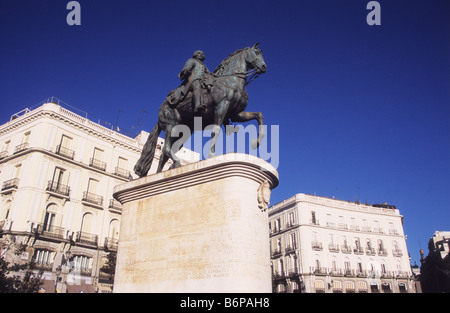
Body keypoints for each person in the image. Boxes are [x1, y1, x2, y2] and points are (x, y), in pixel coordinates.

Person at [178, 50, 213, 114]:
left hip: (203, 81)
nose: (202, 55)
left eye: (203, 54)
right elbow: (186, 68)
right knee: (196, 84)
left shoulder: (204, 66)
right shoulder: (192, 60)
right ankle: (197, 105)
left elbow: (208, 74)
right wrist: (186, 71)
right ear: (195, 55)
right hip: (192, 81)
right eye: (200, 53)